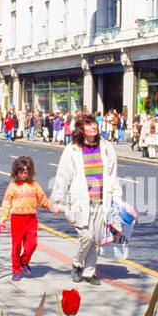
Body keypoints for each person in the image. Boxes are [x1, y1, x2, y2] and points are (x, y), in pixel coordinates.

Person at [51, 109, 123, 287]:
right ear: (81, 129)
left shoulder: (106, 148)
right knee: (87, 236)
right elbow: (63, 176)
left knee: (96, 238)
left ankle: (89, 272)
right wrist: (57, 201)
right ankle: (77, 263)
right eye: (88, 124)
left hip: (101, 199)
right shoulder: (73, 149)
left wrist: (117, 198)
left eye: (94, 123)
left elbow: (113, 175)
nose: (93, 127)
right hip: (80, 200)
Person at [0, 156, 59, 279]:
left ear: (30, 172)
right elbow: (7, 202)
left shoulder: (34, 185)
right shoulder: (13, 186)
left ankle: (24, 261)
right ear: (16, 172)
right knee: (16, 246)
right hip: (17, 219)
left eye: (26, 172)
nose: (23, 174)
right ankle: (16, 270)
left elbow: (42, 199)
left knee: (32, 244)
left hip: (31, 219)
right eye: (21, 172)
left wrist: (52, 207)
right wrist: (4, 217)